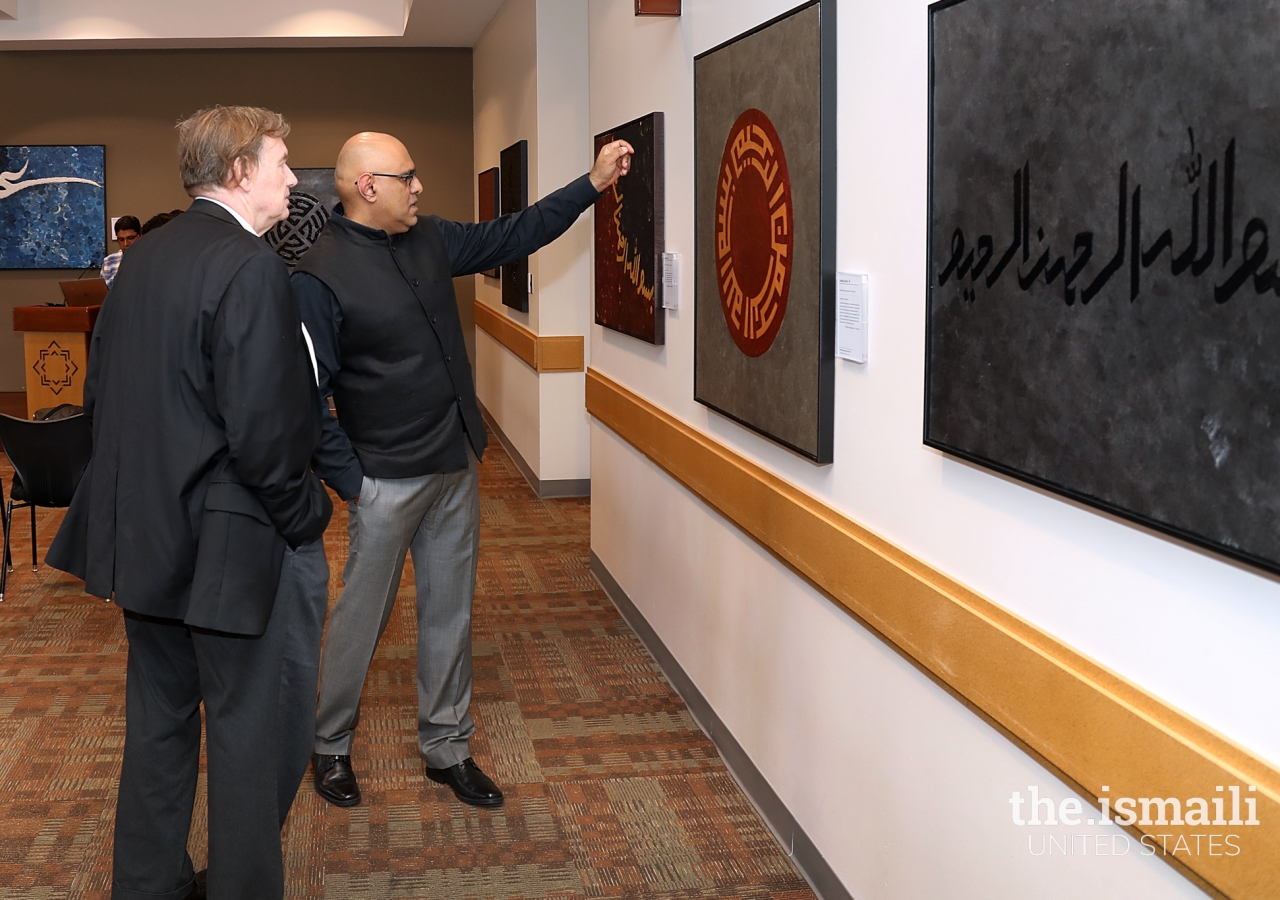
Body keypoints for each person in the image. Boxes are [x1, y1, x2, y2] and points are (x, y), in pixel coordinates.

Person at [294, 132, 632, 809]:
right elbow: (306, 398)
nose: (419, 187)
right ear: (367, 187)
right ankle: (329, 745)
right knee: (361, 618)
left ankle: (447, 747)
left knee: (450, 614)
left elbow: (517, 232)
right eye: (406, 176)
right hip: (385, 478)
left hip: (453, 464)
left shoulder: (430, 238)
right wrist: (354, 484)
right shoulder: (318, 273)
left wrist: (591, 184)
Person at [48, 106, 332, 900]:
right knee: (249, 737)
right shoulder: (251, 267)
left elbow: (103, 396)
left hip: (145, 537)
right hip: (229, 550)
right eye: (281, 161)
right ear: (240, 170)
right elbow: (265, 432)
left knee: (159, 726)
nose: (290, 176)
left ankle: (145, 885)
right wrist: (308, 518)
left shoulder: (138, 262)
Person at [99, 215, 140, 287]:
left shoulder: (149, 257)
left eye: (130, 238)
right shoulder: (109, 261)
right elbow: (103, 292)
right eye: (121, 240)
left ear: (139, 236)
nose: (126, 244)